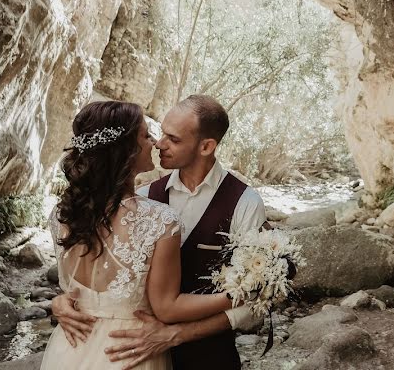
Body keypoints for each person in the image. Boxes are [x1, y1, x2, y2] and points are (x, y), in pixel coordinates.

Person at [52, 95, 267, 370]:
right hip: (133, 356)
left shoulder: (245, 204)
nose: (159, 143)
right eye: (158, 133)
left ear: (206, 146)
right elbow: (98, 272)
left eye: (173, 139)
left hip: (208, 359)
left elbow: (258, 302)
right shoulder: (145, 199)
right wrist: (61, 301)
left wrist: (177, 335)